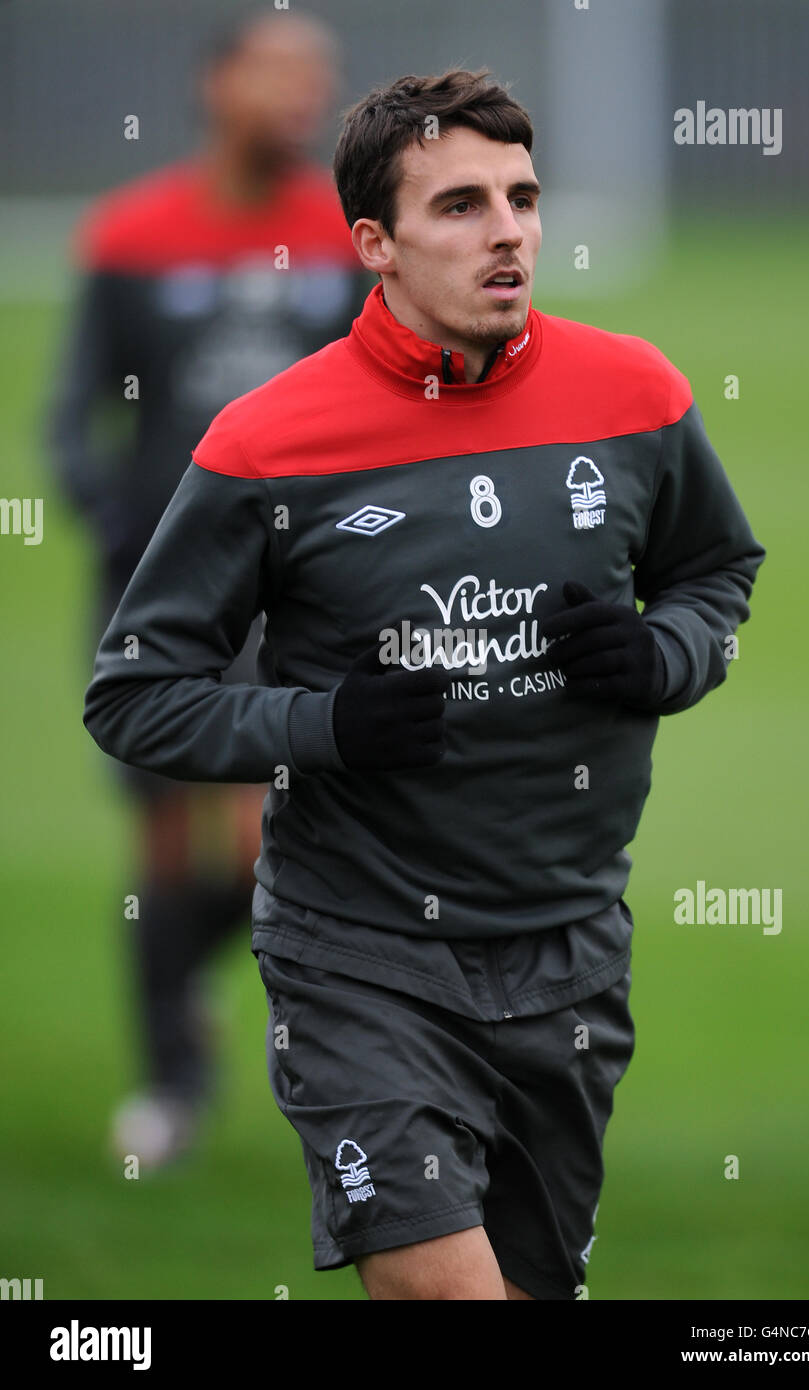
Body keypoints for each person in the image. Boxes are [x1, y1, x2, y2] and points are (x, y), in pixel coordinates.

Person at [83, 68, 765, 1298]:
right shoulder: (267, 441)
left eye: (521, 196)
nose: (505, 230)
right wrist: (324, 724)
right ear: (374, 244)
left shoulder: (637, 394)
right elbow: (134, 694)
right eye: (459, 205)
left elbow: (716, 569)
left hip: (569, 953)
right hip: (361, 955)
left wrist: (662, 653)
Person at [50, 11, 371, 1168]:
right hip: (155, 589)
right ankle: (171, 1086)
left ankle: (181, 988)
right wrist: (119, 528)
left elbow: (380, 402)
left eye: (317, 79)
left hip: (294, 590)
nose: (303, 96)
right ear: (216, 83)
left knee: (255, 837)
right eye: (280, 73)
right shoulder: (133, 232)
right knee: (157, 846)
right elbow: (72, 421)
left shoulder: (346, 237)